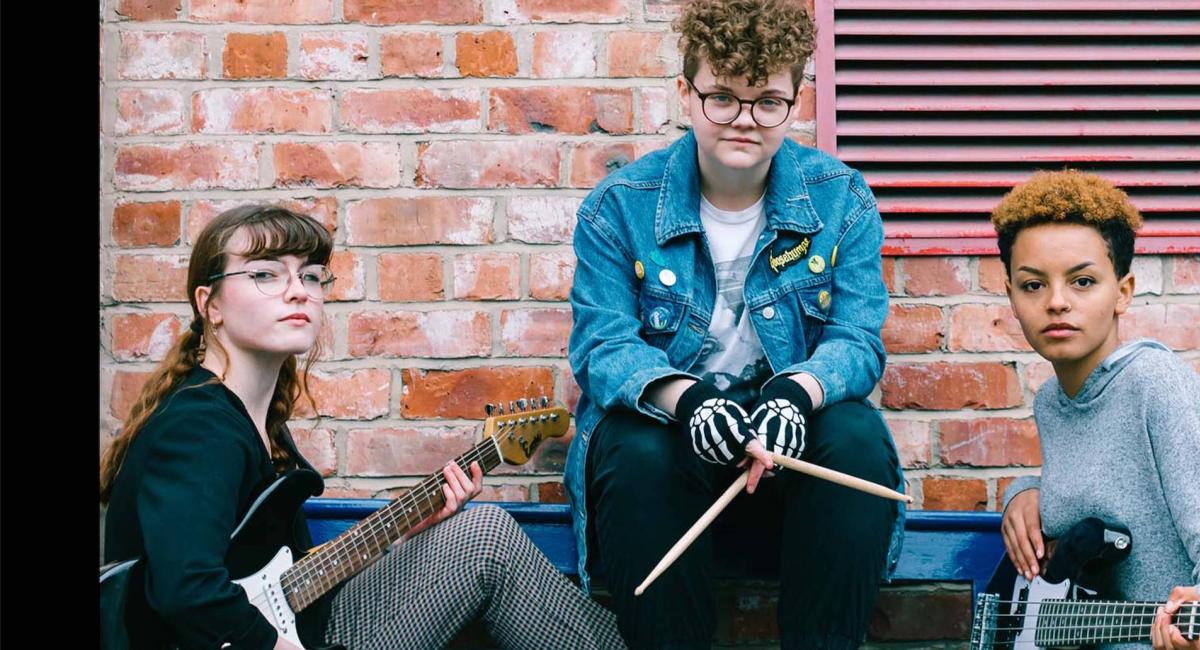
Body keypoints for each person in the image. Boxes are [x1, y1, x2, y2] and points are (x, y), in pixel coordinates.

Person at [100, 205, 626, 650]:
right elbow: (185, 590)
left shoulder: (256, 423)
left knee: (473, 533)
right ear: (208, 304)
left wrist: (404, 535)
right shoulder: (197, 428)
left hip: (307, 623)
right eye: (265, 273)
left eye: (309, 275)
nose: (298, 290)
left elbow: (275, 576)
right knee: (483, 536)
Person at [563, 1, 905, 647]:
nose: (744, 120)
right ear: (685, 95)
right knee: (634, 447)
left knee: (856, 439)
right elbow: (602, 348)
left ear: (796, 102)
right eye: (723, 97)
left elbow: (858, 340)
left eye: (767, 101)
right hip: (670, 473)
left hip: (788, 482)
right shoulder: (618, 207)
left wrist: (794, 394)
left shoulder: (842, 198)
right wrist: (686, 397)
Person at [992, 171, 1200, 650]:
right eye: (1033, 285)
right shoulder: (1052, 402)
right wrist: (1024, 492)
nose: (1056, 302)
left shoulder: (1160, 387)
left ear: (1123, 291)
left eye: (1083, 281)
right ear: (1010, 295)